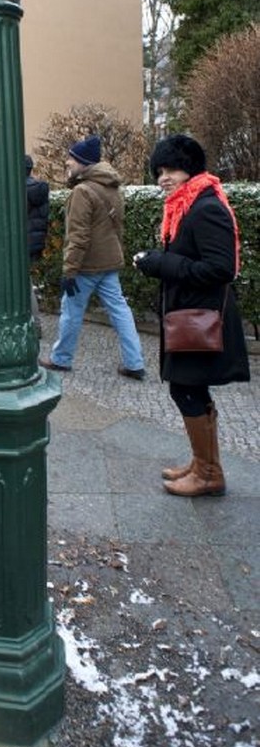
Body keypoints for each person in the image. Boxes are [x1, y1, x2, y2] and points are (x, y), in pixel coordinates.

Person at [134, 134, 249, 497]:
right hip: (191, 315)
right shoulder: (189, 204)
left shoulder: (206, 207)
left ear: (191, 169)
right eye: (159, 171)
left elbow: (222, 268)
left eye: (172, 169)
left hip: (201, 317)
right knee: (191, 387)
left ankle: (209, 472)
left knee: (186, 388)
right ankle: (203, 465)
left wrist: (162, 263)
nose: (164, 178)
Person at [40, 134, 145, 379]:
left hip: (86, 266)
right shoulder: (112, 188)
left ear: (84, 162)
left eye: (72, 158)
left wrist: (69, 270)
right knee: (120, 311)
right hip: (109, 262)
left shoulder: (82, 191)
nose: (67, 162)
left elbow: (78, 236)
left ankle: (61, 359)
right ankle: (135, 362)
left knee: (71, 311)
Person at [25, 153, 50, 336]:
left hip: (20, 244)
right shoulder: (40, 189)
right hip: (35, 243)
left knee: (24, 283)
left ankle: (35, 324)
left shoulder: (20, 190)